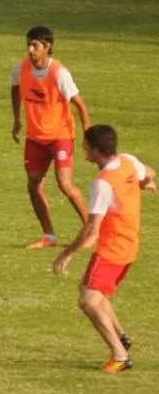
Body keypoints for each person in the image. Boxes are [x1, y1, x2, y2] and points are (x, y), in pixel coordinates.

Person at [52, 125, 155, 372]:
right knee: (95, 293)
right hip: (129, 245)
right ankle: (122, 338)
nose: (83, 148)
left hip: (112, 249)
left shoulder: (102, 184)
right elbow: (149, 173)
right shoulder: (128, 161)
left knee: (88, 300)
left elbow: (91, 230)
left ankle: (119, 355)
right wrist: (145, 184)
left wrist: (67, 253)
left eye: (87, 145)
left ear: (98, 150)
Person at [10, 26, 90, 249]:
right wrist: (16, 119)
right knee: (34, 184)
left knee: (65, 184)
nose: (30, 49)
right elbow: (15, 89)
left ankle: (91, 229)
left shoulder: (59, 73)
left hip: (60, 135)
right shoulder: (20, 69)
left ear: (47, 46)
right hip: (35, 137)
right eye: (28, 44)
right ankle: (49, 236)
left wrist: (87, 136)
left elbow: (81, 106)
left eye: (35, 45)